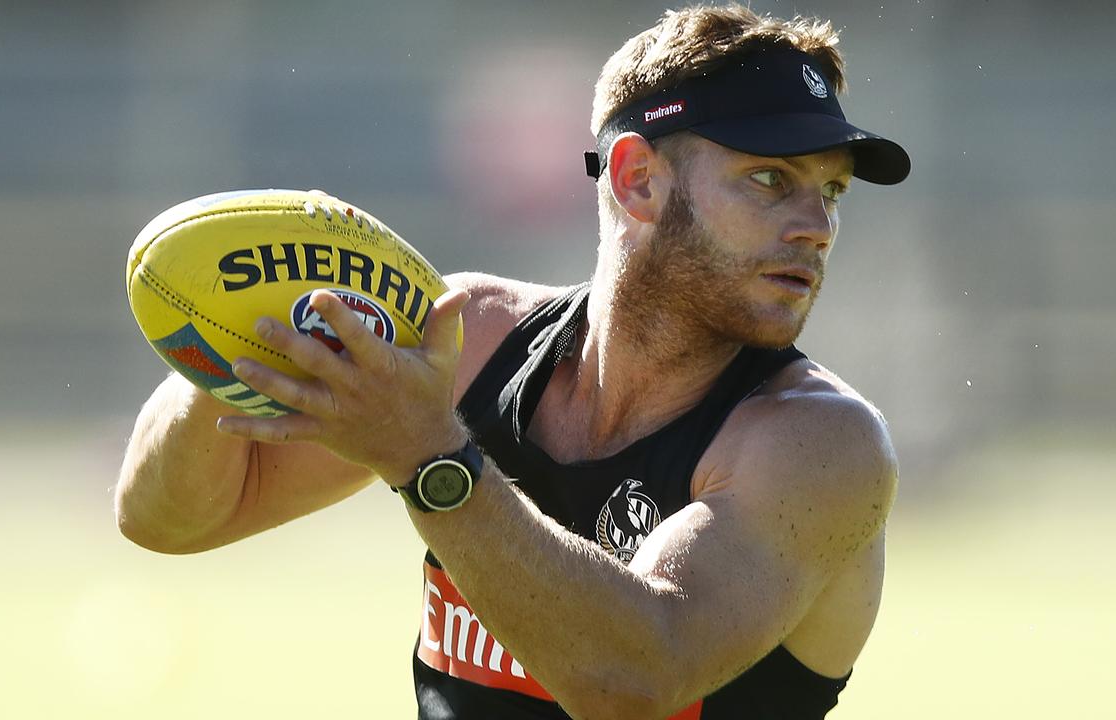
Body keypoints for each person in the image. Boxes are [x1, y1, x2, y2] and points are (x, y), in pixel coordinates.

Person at [115, 5, 909, 719]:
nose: (816, 226)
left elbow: (633, 679)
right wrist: (239, 342)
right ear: (637, 180)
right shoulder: (475, 338)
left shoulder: (819, 443)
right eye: (770, 179)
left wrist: (427, 455)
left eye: (831, 192)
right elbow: (166, 519)